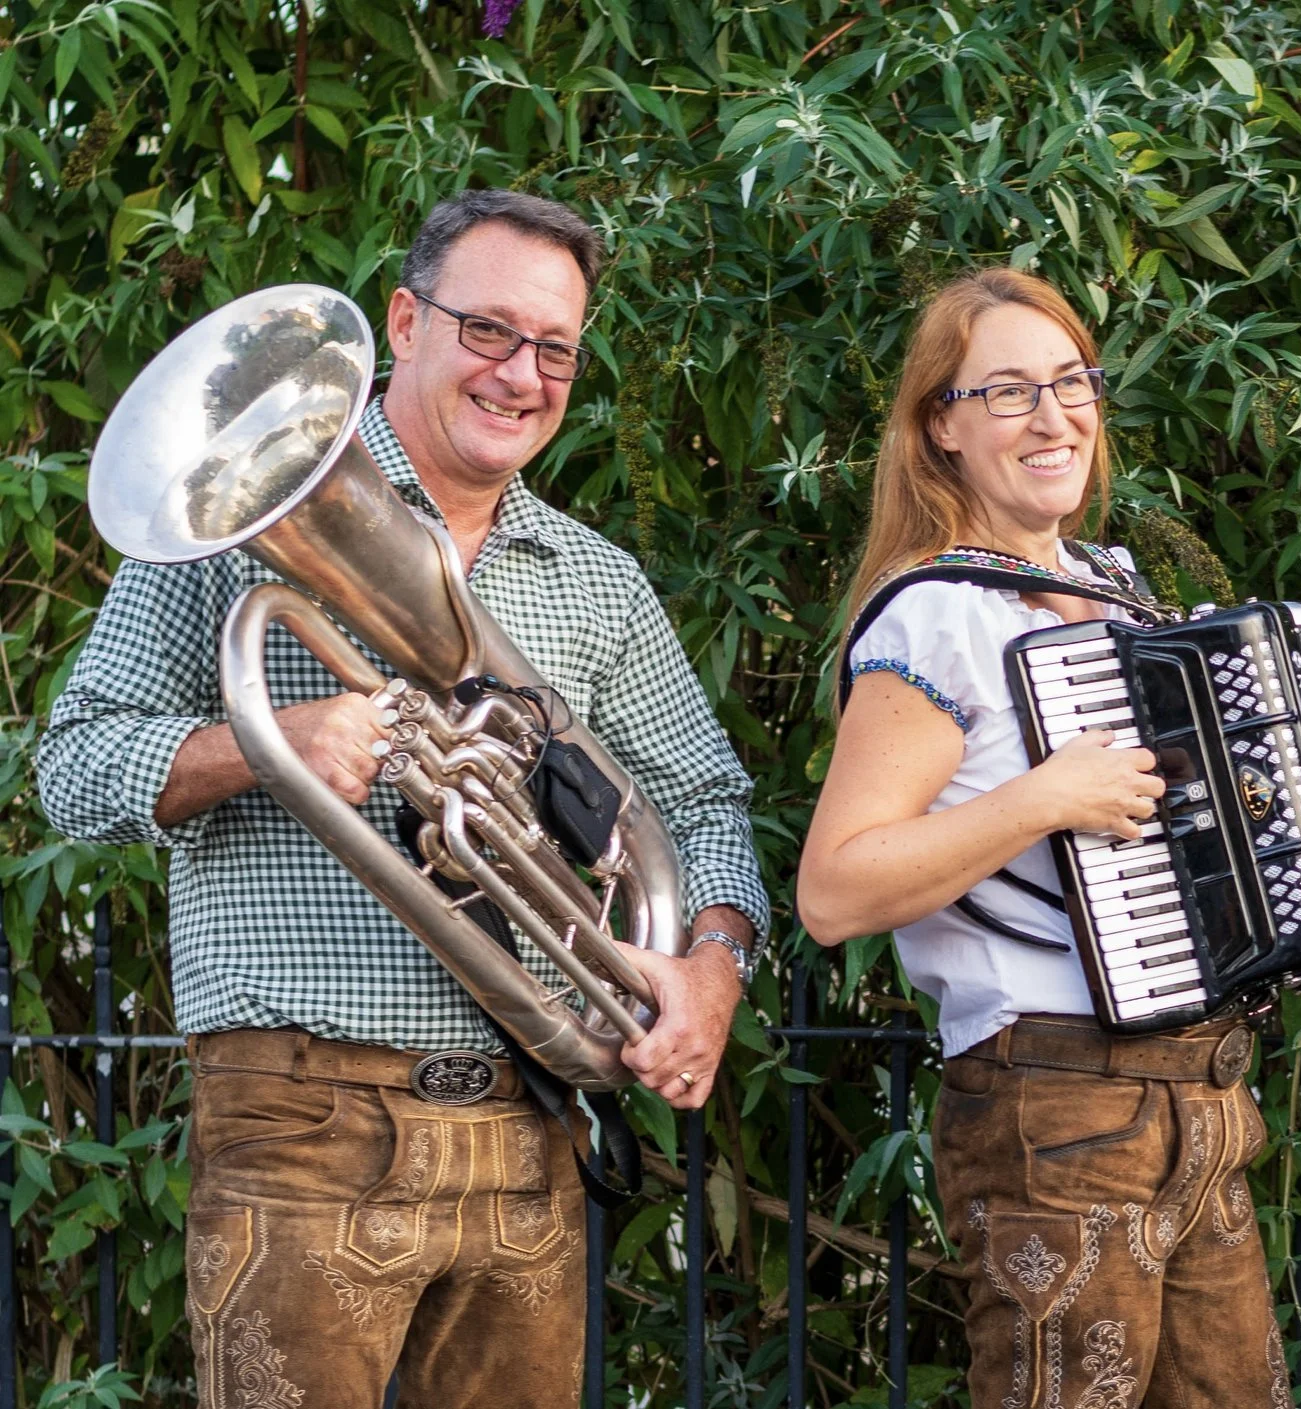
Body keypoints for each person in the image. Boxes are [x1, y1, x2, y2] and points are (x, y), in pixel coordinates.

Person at [37, 190, 769, 1408]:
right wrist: (267, 743)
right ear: (405, 320)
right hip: (301, 1113)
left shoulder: (597, 579)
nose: (521, 374)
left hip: (526, 1127)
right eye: (489, 330)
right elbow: (74, 765)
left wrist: (712, 966)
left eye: (554, 349)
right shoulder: (230, 516)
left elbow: (703, 803)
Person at [794, 266, 1301, 1408]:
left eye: (1071, 382)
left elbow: (1174, 837)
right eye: (1007, 392)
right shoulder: (939, 614)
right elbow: (834, 890)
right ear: (940, 427)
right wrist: (1043, 798)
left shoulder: (1110, 585)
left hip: (1198, 1089)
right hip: (1050, 1097)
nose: (1053, 418)